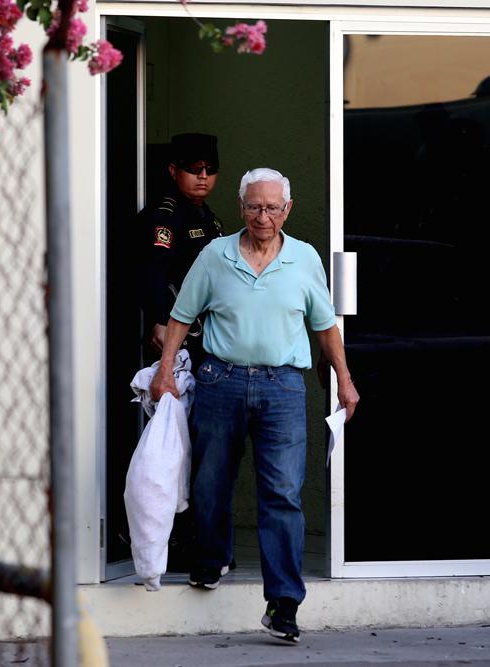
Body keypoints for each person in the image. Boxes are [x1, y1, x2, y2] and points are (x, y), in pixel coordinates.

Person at [150, 168, 360, 643]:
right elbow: (181, 315)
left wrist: (344, 380)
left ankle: (284, 602)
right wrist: (165, 371)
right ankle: (211, 559)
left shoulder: (304, 258)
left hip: (282, 386)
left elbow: (326, 326)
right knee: (210, 479)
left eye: (272, 207)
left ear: (287, 210)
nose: (262, 216)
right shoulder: (215, 254)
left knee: (282, 493)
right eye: (253, 206)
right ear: (241, 207)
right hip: (220, 379)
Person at [138, 133, 224, 364]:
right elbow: (154, 271)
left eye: (210, 168)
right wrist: (158, 320)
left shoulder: (209, 218)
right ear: (174, 171)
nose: (203, 176)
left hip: (207, 329)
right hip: (173, 328)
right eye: (195, 168)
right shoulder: (164, 216)